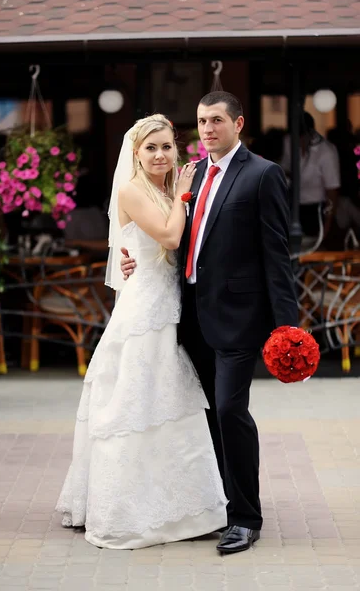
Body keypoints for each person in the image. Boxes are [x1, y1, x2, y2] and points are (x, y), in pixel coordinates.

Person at [121, 91, 298, 554]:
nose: (207, 129)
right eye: (201, 121)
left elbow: (277, 255)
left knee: (229, 411)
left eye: (217, 120)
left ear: (238, 123)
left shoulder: (262, 174)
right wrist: (128, 259)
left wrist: (288, 328)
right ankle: (219, 504)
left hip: (240, 318)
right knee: (202, 416)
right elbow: (171, 235)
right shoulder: (192, 175)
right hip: (189, 314)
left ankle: (245, 517)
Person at [55, 114, 227, 550]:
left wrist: (177, 197)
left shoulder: (166, 188)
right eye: (151, 147)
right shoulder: (134, 188)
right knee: (136, 404)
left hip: (171, 303)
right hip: (146, 311)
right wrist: (186, 194)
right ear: (136, 153)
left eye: (167, 146)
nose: (160, 154)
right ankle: (127, 507)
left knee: (168, 403)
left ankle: (182, 502)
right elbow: (171, 236)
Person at [280, 112, 340, 239]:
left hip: (316, 208)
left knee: (313, 246)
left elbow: (332, 191)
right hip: (291, 204)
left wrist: (327, 227)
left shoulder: (326, 152)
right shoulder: (288, 142)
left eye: (303, 137)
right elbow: (284, 166)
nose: (300, 142)